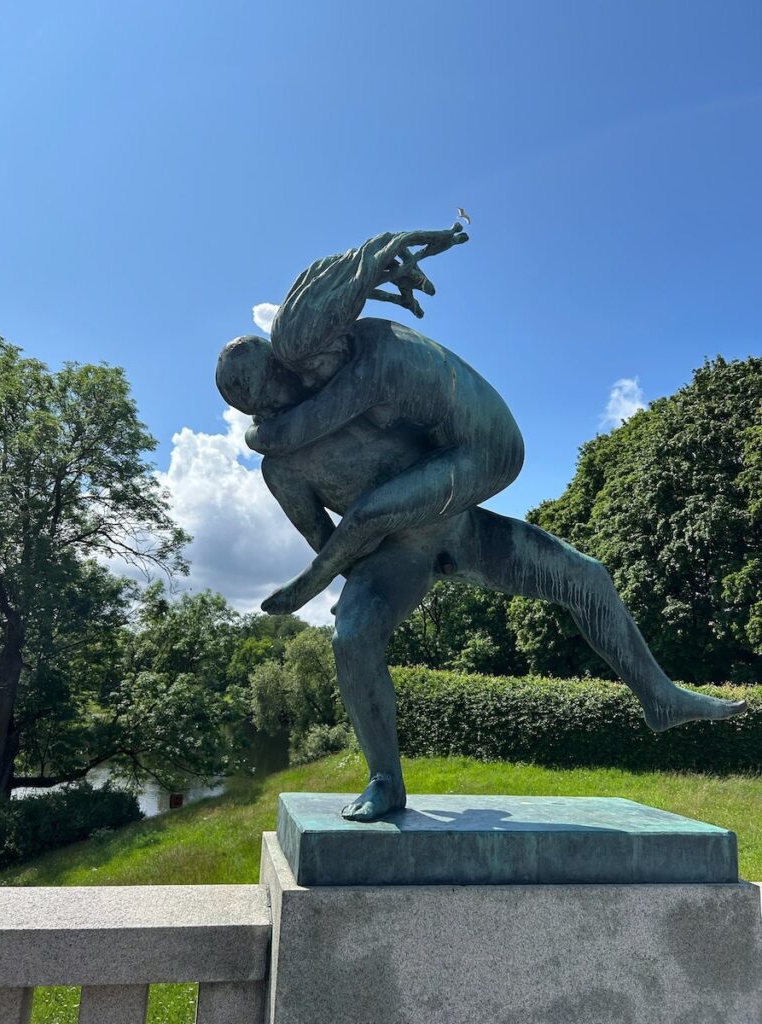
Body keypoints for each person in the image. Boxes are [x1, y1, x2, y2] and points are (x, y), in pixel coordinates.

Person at [216, 335, 746, 822]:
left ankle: (660, 697)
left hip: (461, 524)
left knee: (587, 576)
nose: (267, 408)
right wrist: (359, 580)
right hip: (392, 559)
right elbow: (319, 534)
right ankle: (385, 780)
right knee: (351, 639)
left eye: (266, 389)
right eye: (253, 406)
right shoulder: (281, 468)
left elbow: (433, 423)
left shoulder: (351, 386)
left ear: (280, 367)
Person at [244, 224, 525, 616]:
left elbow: (293, 433)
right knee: (377, 506)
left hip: (488, 453)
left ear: (337, 338)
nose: (309, 382)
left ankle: (315, 578)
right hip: (447, 442)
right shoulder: (366, 339)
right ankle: (359, 575)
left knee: (369, 513)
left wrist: (252, 435)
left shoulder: (376, 364)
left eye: (314, 367)